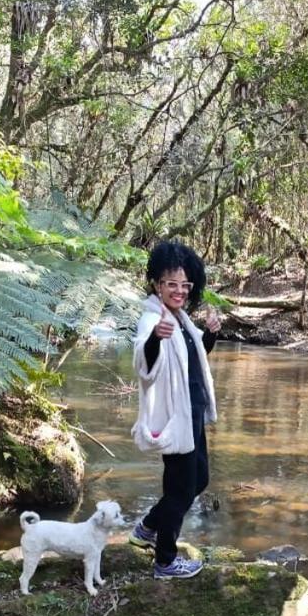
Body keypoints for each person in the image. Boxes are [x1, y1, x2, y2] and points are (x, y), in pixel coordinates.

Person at [130, 240, 221, 579]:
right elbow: (144, 359)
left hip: (192, 411)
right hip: (174, 417)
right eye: (172, 284)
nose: (179, 291)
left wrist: (209, 336)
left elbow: (188, 360)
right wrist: (155, 338)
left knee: (200, 479)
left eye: (185, 285)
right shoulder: (153, 318)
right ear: (157, 283)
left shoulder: (180, 317)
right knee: (180, 489)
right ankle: (165, 561)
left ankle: (148, 527)